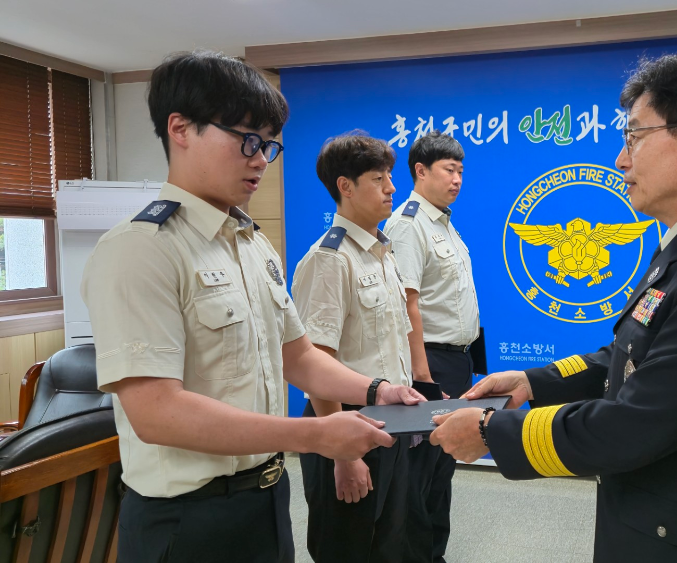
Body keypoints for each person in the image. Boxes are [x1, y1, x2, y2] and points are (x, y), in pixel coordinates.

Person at [430, 53, 677, 562]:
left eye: (634, 137)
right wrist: (533, 383)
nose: (621, 159)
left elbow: (635, 424)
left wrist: (488, 430)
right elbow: (626, 359)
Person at [81, 51, 422, 563]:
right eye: (246, 140)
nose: (260, 159)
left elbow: (300, 357)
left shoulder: (250, 244)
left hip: (265, 497)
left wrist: (377, 389)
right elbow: (156, 412)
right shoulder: (141, 249)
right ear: (181, 128)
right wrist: (314, 434)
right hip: (187, 518)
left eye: (268, 145)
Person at [291, 132, 415, 562]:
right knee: (346, 548)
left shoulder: (382, 253)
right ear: (345, 186)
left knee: (387, 545)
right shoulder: (329, 260)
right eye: (379, 179)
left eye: (390, 177)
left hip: (389, 428)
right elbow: (316, 365)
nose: (391, 188)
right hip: (344, 430)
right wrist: (341, 454)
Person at [384, 131, 480, 563]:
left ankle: (432, 555)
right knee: (420, 475)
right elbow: (407, 304)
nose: (457, 179)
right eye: (449, 170)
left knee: (443, 471)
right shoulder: (407, 224)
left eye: (461, 170)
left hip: (454, 362)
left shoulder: (442, 219)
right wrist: (422, 379)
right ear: (420, 171)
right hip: (430, 365)